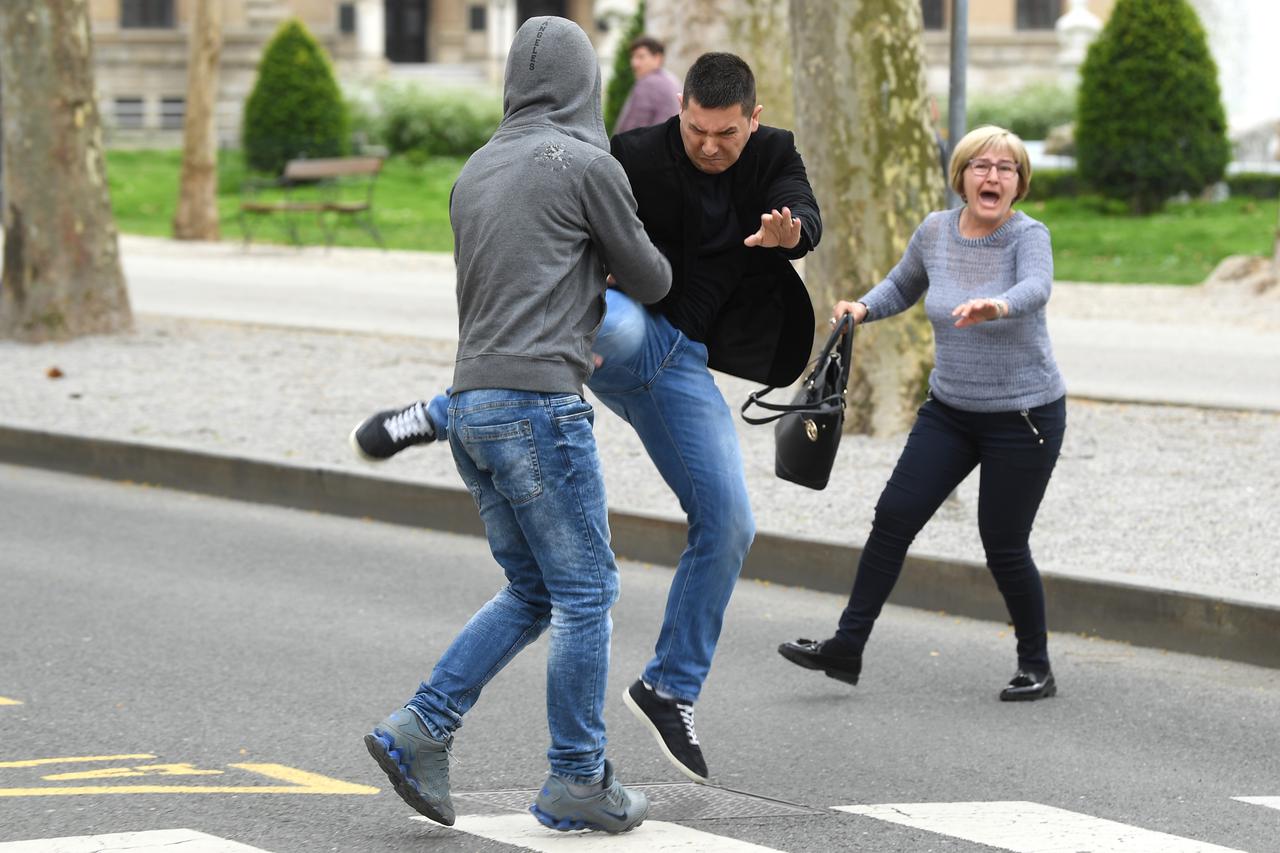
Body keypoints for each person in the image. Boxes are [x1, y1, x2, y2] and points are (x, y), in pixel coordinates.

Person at [351, 52, 822, 782]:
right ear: (681, 112)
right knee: (608, 320)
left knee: (731, 523)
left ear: (752, 120)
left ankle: (669, 687)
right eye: (696, 129)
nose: (708, 146)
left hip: (684, 368)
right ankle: (443, 409)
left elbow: (805, 210)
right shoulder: (629, 154)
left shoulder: (773, 154)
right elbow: (562, 222)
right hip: (621, 328)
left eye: (725, 134)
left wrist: (793, 236)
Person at [362, 16, 670, 835]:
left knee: (534, 588)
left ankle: (421, 726)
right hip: (540, 407)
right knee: (585, 593)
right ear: (586, 84)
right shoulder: (586, 162)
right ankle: (577, 776)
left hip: (469, 406)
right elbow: (653, 275)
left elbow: (521, 274)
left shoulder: (475, 168)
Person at [778, 125, 1066, 702]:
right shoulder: (936, 231)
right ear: (961, 176)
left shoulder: (1027, 236)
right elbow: (903, 285)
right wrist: (860, 309)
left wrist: (998, 303)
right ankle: (846, 647)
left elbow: (1038, 286)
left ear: (1020, 182)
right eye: (981, 165)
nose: (993, 176)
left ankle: (1036, 664)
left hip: (1023, 415)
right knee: (894, 517)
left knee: (1003, 542)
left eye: (1006, 168)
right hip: (951, 412)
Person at [613, 35, 681, 134]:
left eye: (641, 57)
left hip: (648, 146)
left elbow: (632, 127)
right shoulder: (672, 79)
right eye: (633, 57)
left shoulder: (648, 83)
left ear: (657, 58)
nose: (634, 63)